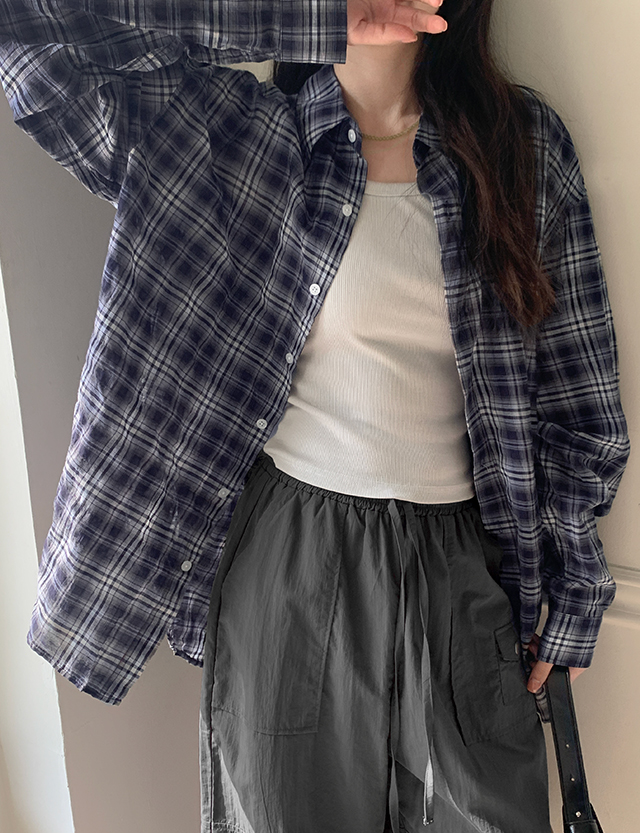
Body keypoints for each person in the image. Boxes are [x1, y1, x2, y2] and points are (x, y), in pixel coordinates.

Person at [0, 1, 629, 831]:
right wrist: (307, 20)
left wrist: (577, 589)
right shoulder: (220, 134)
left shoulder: (524, 149)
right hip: (290, 564)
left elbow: (580, 401)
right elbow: (28, 27)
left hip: (463, 571)